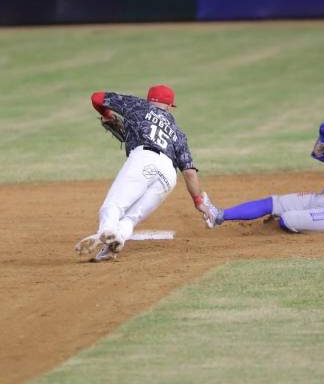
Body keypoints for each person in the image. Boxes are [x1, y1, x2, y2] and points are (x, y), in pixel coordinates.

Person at [75, 84, 217, 262]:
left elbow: (97, 98)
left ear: (149, 99)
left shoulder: (137, 105)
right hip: (168, 176)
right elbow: (189, 172)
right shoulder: (178, 133)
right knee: (130, 219)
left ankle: (106, 232)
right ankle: (112, 246)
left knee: (112, 206)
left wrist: (108, 115)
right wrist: (198, 201)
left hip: (144, 159)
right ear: (169, 106)